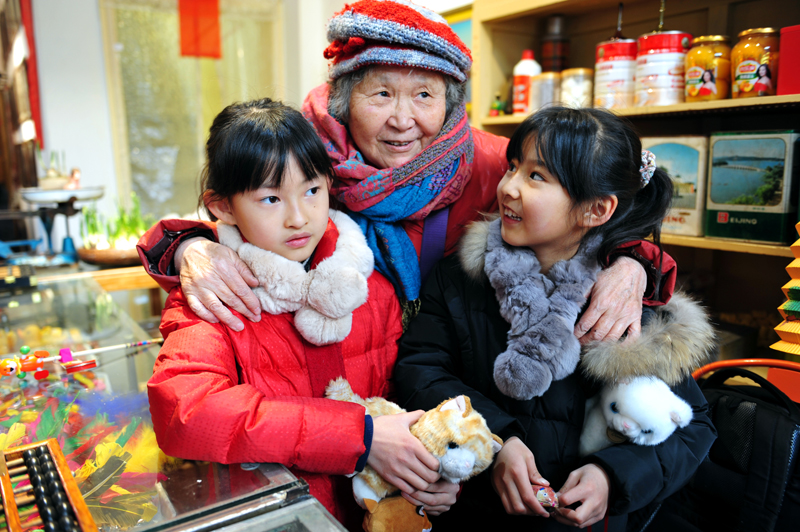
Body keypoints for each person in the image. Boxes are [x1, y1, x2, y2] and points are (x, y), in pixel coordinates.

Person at [137, 0, 676, 347]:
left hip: (456, 379)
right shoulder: (311, 160)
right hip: (345, 380)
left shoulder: (496, 164)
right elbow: (235, 210)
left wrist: (631, 263)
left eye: (424, 95)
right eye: (381, 94)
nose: (402, 119)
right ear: (345, 101)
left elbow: (599, 203)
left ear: (450, 105)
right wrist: (192, 249)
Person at [394, 107, 717, 531]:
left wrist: (611, 475)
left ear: (595, 210)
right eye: (513, 167)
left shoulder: (621, 302)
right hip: (472, 513)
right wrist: (494, 438)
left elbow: (692, 427)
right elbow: (421, 369)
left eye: (536, 176)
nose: (508, 187)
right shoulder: (460, 276)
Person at [146, 98, 446, 530]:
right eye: (270, 198)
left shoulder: (370, 285)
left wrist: (434, 469)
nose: (298, 218)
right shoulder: (214, 294)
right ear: (223, 206)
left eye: (311, 191)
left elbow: (404, 400)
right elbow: (186, 413)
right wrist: (357, 436)